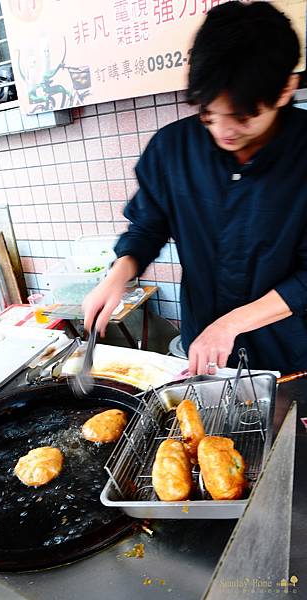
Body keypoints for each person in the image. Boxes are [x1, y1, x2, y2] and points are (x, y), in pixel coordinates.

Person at [83, 1, 306, 376]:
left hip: (290, 354)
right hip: (205, 350)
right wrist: (117, 275)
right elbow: (148, 227)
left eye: (241, 117)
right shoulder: (173, 149)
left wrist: (231, 323)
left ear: (285, 89)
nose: (222, 131)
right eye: (208, 114)